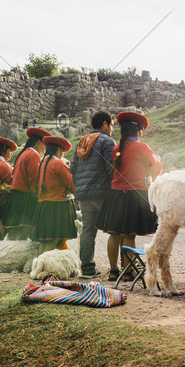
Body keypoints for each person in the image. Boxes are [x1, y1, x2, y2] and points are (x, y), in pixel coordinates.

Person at [96, 112, 161, 282]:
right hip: (135, 195)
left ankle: (113, 271)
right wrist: (158, 161)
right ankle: (128, 272)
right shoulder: (142, 148)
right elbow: (155, 170)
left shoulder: (118, 148)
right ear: (138, 131)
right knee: (129, 234)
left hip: (115, 194)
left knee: (114, 234)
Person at [70, 111, 116, 278]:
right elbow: (111, 167)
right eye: (111, 124)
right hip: (103, 193)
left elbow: (72, 168)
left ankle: (87, 269)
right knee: (115, 230)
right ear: (104, 124)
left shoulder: (82, 141)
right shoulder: (107, 140)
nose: (112, 128)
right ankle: (118, 269)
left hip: (84, 194)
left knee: (88, 230)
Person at [2, 127, 52, 240]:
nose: (46, 148)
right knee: (23, 234)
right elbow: (34, 180)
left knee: (15, 235)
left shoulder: (24, 153)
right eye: (45, 144)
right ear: (39, 142)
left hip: (17, 197)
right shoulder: (34, 155)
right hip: (25, 198)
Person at [31, 136, 77, 254]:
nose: (62, 154)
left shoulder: (43, 162)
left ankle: (39, 267)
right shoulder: (58, 164)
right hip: (58, 207)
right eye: (62, 151)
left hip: (44, 205)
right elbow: (72, 185)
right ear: (58, 150)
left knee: (45, 241)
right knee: (53, 240)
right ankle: (47, 270)